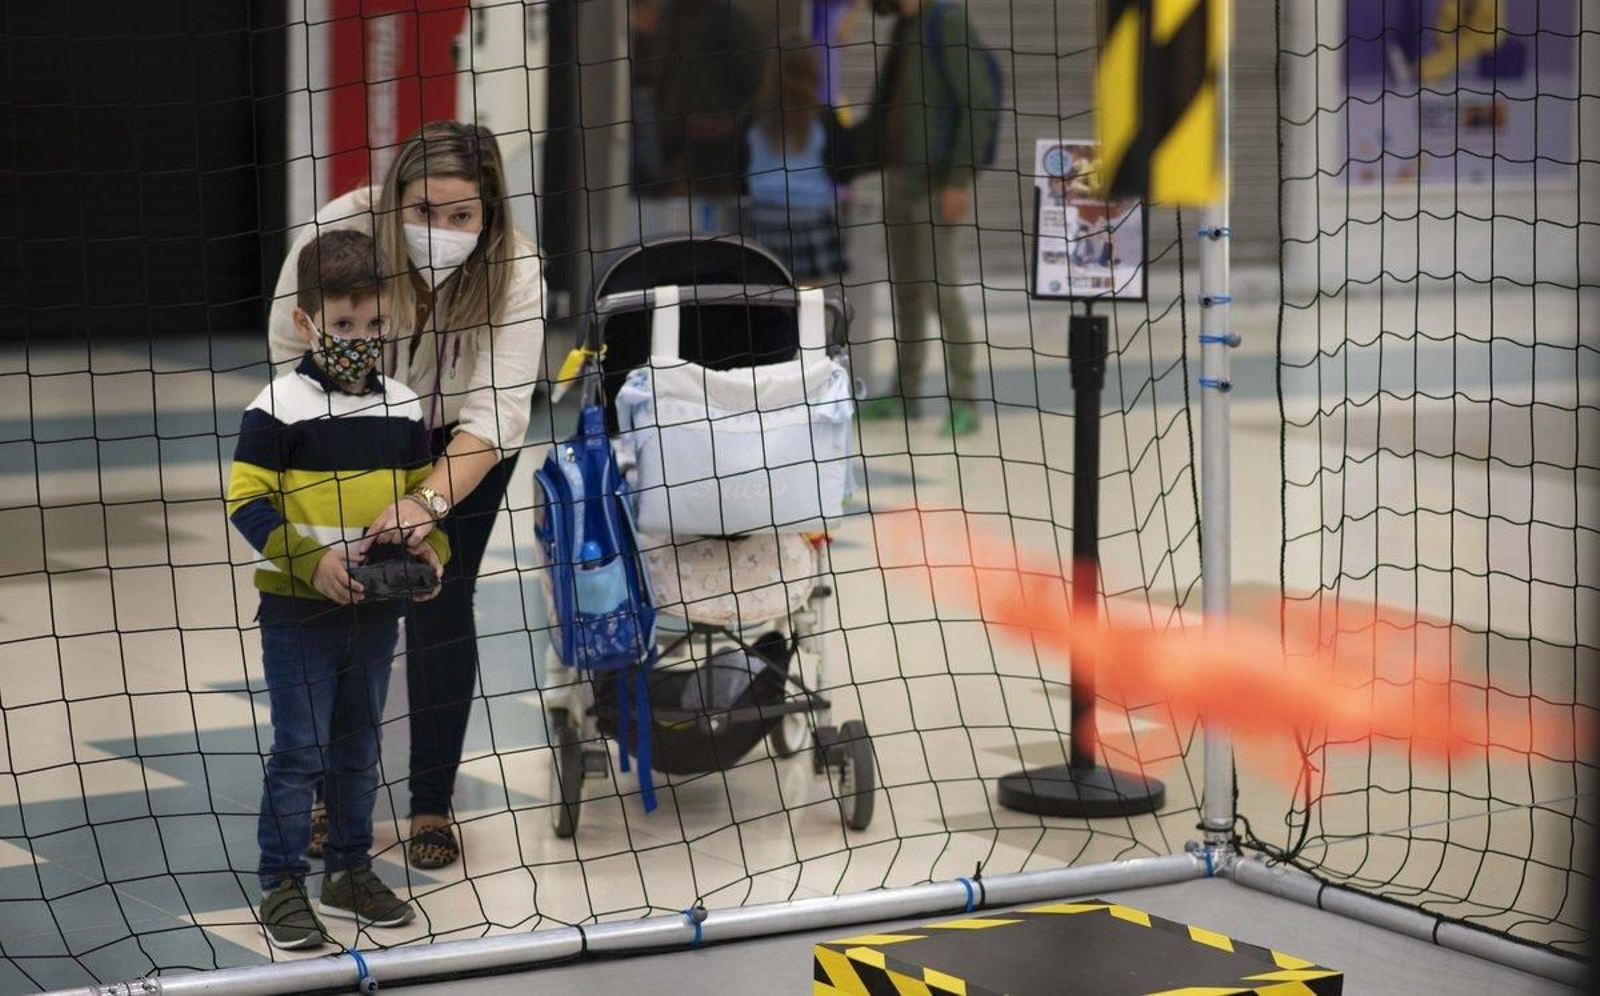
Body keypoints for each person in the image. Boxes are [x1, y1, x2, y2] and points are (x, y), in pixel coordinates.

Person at [269, 121, 545, 869]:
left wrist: (425, 505)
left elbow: (498, 414)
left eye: (463, 215)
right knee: (338, 602)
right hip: (346, 426)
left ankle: (431, 805)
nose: (441, 230)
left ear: (488, 212)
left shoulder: (515, 267)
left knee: (441, 600)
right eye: (424, 210)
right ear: (395, 199)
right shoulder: (338, 233)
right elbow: (290, 353)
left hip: (459, 441)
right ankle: (328, 799)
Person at [230, 229, 449, 949]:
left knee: (358, 748)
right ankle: (283, 882)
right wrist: (308, 561)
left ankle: (349, 868)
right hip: (296, 614)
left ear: (393, 320)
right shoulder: (277, 404)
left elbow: (422, 498)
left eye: (374, 324)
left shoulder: (402, 405)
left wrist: (431, 551)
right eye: (343, 324)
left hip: (376, 612)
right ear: (306, 322)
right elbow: (246, 501)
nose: (361, 338)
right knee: (300, 749)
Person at [859, 0, 992, 437]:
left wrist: (958, 178)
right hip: (900, 177)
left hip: (935, 184)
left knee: (941, 292)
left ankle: (965, 398)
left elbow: (979, 101)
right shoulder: (905, 26)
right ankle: (905, 392)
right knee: (907, 292)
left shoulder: (944, 20)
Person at [741, 31, 876, 286]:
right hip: (811, 222)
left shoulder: (753, 116)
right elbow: (844, 170)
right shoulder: (823, 118)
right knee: (809, 309)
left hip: (764, 224)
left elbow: (738, 168)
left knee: (767, 305)